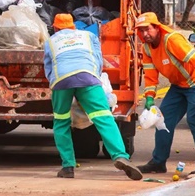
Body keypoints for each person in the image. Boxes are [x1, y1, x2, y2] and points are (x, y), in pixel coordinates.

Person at [43, 13, 142, 181]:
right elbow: (97, 60)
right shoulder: (88, 35)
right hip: (88, 77)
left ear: (55, 28)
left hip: (62, 80)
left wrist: (57, 83)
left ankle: (68, 167)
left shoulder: (50, 41)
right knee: (104, 117)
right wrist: (92, 81)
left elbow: (49, 67)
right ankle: (120, 156)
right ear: (73, 26)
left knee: (61, 122)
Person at [134, 12, 195, 177]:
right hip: (178, 86)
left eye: (147, 29)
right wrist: (149, 97)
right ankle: (158, 162)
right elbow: (150, 76)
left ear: (156, 27)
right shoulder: (147, 47)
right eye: (140, 31)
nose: (144, 34)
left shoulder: (172, 39)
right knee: (162, 121)